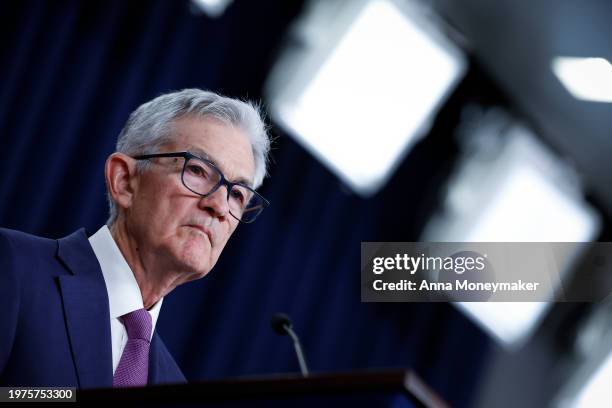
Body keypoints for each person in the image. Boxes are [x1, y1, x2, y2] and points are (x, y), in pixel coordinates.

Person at [0, 89, 271, 388]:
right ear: (125, 180)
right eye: (197, 170)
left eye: (236, 194)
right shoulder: (13, 268)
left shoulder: (174, 385)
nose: (219, 206)